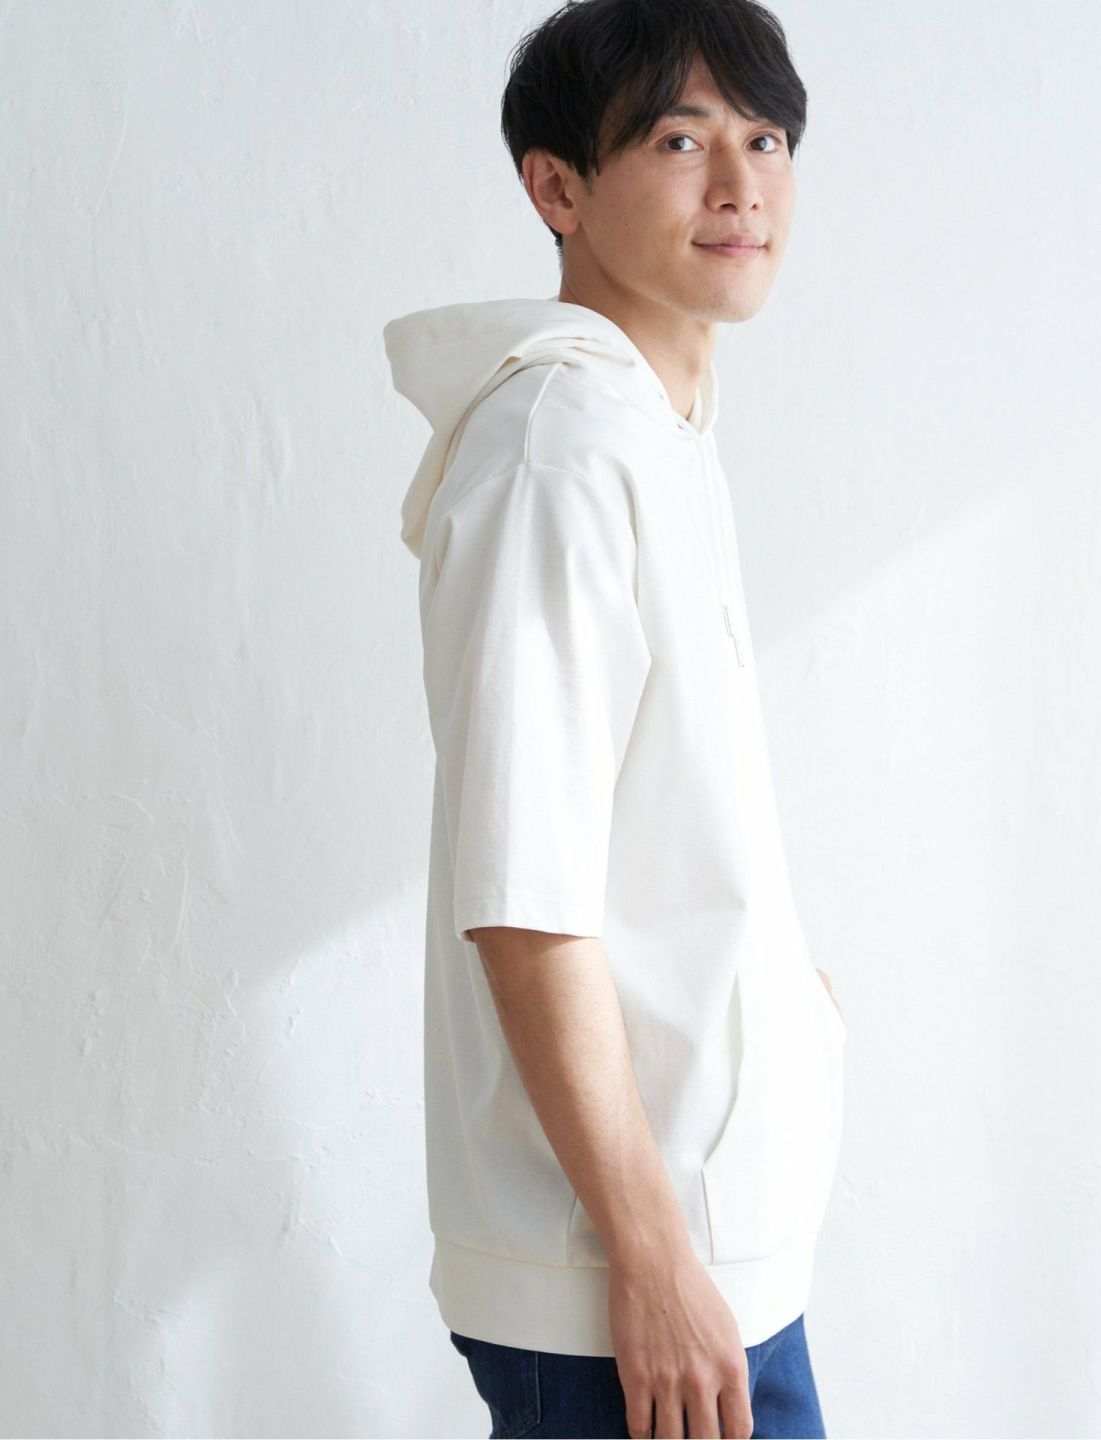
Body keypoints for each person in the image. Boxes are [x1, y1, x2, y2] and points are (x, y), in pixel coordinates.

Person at [382, 2, 847, 1434]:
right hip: (627, 1278)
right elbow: (524, 901)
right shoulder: (562, 451)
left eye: (767, 138)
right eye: (681, 140)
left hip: (705, 1253)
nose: (743, 184)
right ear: (557, 187)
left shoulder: (657, 436)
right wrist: (649, 1259)